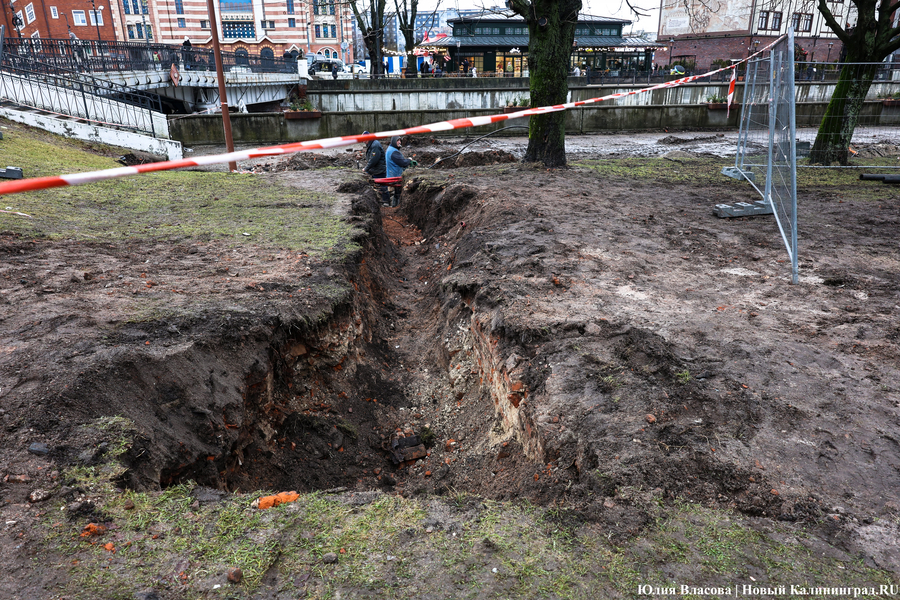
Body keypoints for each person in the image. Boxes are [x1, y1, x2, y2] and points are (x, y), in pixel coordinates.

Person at [385, 136, 417, 207]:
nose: (399, 142)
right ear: (393, 141)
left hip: (392, 175)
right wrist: (409, 160)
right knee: (398, 193)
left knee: (396, 193)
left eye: (400, 140)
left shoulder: (390, 149)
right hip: (395, 176)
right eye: (398, 140)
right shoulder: (394, 152)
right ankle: (397, 207)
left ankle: (394, 207)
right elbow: (402, 163)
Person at [363, 132, 391, 206]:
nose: (363, 141)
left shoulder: (375, 145)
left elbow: (373, 160)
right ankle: (380, 201)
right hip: (375, 170)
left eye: (364, 139)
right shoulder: (371, 144)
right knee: (377, 186)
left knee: (382, 186)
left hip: (379, 170)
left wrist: (366, 168)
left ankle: (386, 202)